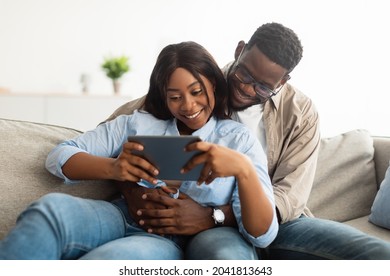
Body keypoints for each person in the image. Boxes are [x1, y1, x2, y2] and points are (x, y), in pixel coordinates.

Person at [104, 22, 390, 259]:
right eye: (244, 74)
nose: (244, 89)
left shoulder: (300, 111)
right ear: (240, 50)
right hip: (206, 229)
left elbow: (290, 196)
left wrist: (213, 215)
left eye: (263, 87)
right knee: (226, 258)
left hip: (277, 223)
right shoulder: (202, 84)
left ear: (283, 81)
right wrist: (133, 193)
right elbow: (121, 133)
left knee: (376, 253)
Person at [0, 41, 278, 260]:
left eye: (197, 91)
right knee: (49, 210)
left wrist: (242, 170)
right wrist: (113, 168)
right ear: (163, 96)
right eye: (175, 97)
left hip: (176, 240)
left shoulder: (238, 140)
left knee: (110, 261)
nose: (188, 106)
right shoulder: (138, 124)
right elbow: (58, 157)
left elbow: (263, 236)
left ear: (213, 84)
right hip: (125, 218)